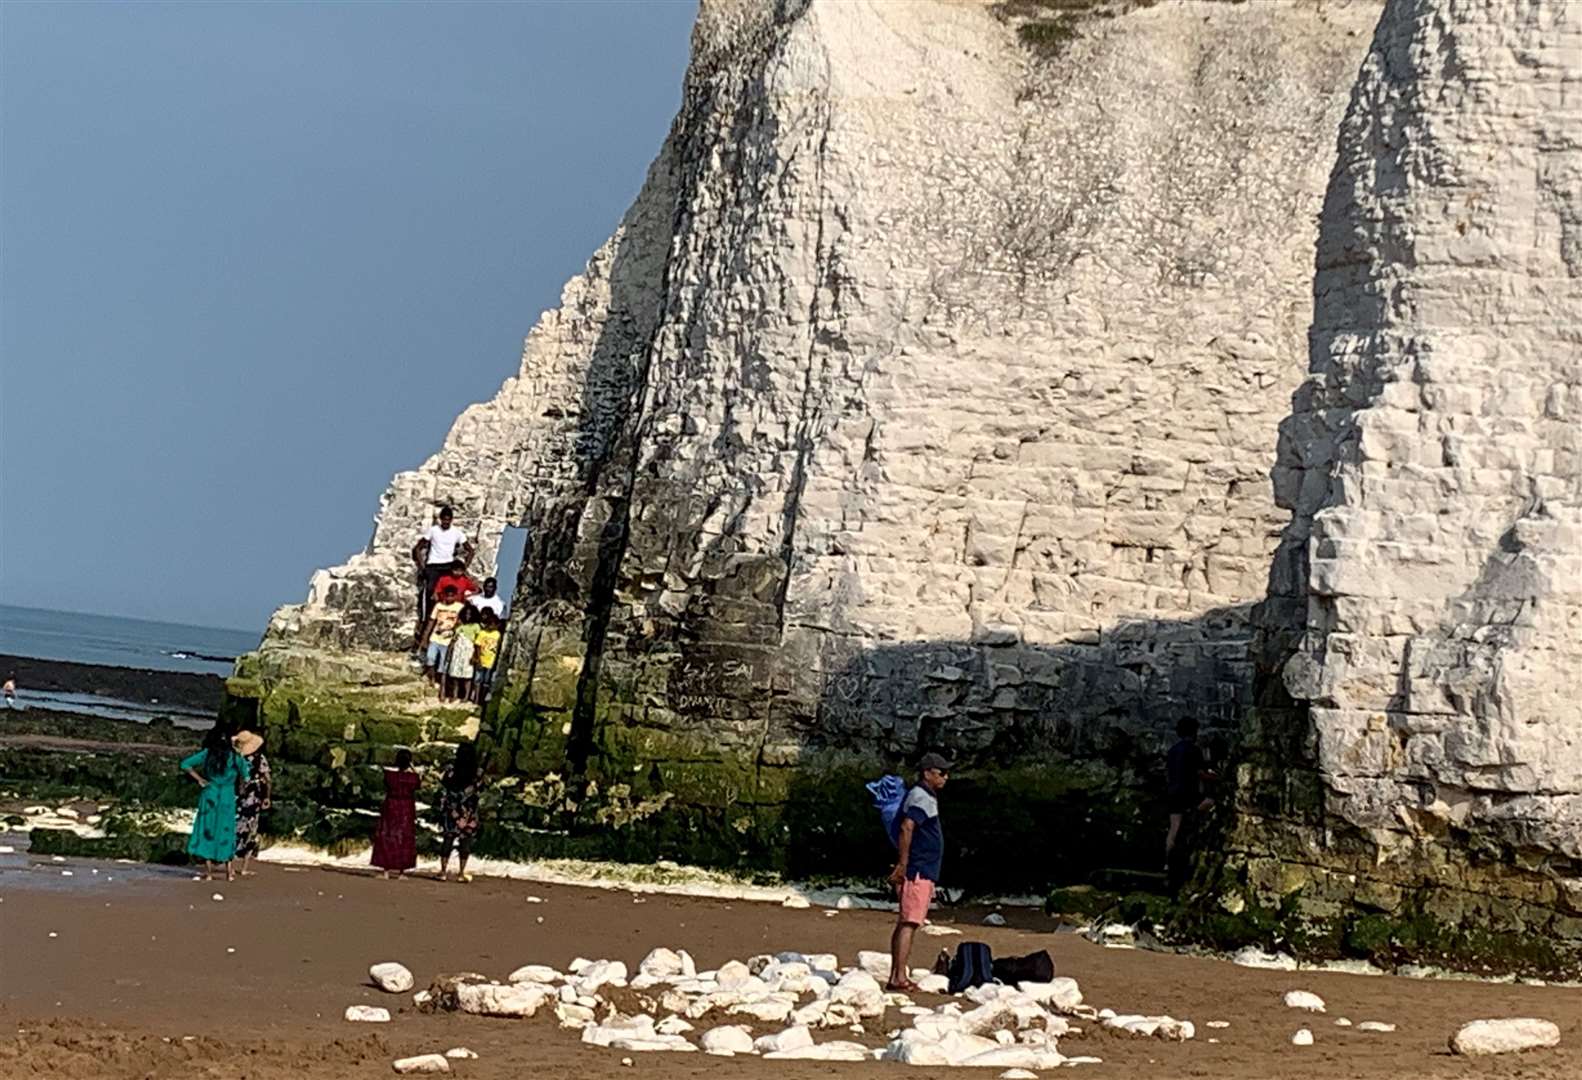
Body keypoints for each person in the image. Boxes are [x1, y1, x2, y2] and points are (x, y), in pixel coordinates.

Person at [886, 751, 950, 992]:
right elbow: (907, 827)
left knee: (907, 921)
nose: (946, 777)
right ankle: (898, 977)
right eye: (941, 772)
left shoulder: (924, 796)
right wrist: (903, 865)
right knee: (910, 922)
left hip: (921, 868)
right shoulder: (921, 796)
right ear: (927, 773)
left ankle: (897, 974)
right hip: (918, 870)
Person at [180, 723, 251, 882]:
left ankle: (209, 872)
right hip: (226, 795)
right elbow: (246, 776)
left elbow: (185, 764)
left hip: (210, 793)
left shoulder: (208, 754)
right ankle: (229, 872)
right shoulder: (235, 757)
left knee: (207, 830)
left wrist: (200, 779)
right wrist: (240, 787)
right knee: (226, 831)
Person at [1164, 716, 1216, 894]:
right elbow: (1200, 773)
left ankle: (1168, 862)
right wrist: (1216, 778)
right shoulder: (1193, 750)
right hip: (1188, 794)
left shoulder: (1172, 750)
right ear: (1194, 732)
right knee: (1210, 804)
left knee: (1173, 827)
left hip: (1172, 793)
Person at [411, 507, 474, 646]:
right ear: (440, 519)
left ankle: (446, 624)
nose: (445, 522)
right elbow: (417, 548)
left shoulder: (457, 532)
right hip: (433, 566)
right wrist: (423, 568)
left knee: (450, 595)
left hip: (448, 566)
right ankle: (424, 624)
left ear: (451, 520)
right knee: (430, 596)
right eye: (443, 520)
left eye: (448, 520)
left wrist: (464, 568)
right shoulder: (433, 530)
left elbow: (470, 550)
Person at [371, 748, 420, 879]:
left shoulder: (390, 776)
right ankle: (402, 872)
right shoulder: (413, 778)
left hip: (391, 806)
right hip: (406, 808)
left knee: (388, 835)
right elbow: (419, 782)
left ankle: (386, 870)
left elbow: (386, 784)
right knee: (405, 837)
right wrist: (413, 768)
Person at [437, 742, 482, 883]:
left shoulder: (451, 769)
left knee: (448, 839)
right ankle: (461, 873)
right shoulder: (477, 772)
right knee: (466, 841)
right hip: (469, 811)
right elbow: (480, 790)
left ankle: (443, 872)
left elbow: (444, 784)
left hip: (452, 809)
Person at [232, 728, 271, 877]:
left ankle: (229, 863)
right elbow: (267, 779)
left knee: (234, 828)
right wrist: (267, 797)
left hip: (236, 797)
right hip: (254, 797)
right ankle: (244, 867)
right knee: (251, 830)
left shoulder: (235, 759)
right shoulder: (259, 759)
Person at [419, 585, 465, 685]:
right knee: (430, 658)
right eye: (447, 596)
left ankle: (441, 682)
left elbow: (462, 623)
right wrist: (425, 638)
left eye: (451, 596)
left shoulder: (460, 607)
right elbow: (431, 621)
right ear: (444, 596)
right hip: (435, 637)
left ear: (455, 596)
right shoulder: (438, 606)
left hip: (448, 639)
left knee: (443, 664)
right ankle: (432, 678)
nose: (449, 598)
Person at [445, 605, 479, 702]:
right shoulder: (460, 626)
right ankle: (454, 694)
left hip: (468, 652)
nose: (468, 616)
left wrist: (475, 656)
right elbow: (453, 640)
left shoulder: (476, 626)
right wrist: (449, 653)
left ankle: (466, 696)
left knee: (467, 676)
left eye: (470, 614)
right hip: (457, 652)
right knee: (455, 674)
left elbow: (477, 643)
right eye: (466, 614)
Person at [471, 609, 502, 705]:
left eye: (493, 624)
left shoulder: (497, 635)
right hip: (482, 660)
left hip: (490, 662)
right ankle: (476, 698)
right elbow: (477, 646)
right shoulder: (482, 633)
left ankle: (482, 699)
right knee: (477, 680)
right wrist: (478, 659)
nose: (491, 626)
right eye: (489, 624)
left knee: (486, 681)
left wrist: (496, 662)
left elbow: (498, 649)